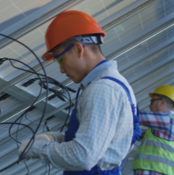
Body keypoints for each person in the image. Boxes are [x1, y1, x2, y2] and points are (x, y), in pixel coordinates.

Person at [17, 10, 137, 175]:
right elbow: (96, 139)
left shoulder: (102, 89)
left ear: (79, 49)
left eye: (60, 59)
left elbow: (83, 156)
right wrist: (55, 138)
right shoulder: (109, 84)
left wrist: (38, 149)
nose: (60, 69)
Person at [133, 85, 174, 175]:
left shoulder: (167, 120)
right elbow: (138, 133)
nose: (150, 105)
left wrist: (125, 109)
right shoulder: (166, 126)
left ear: (162, 102)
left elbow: (138, 117)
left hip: (154, 171)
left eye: (152, 101)